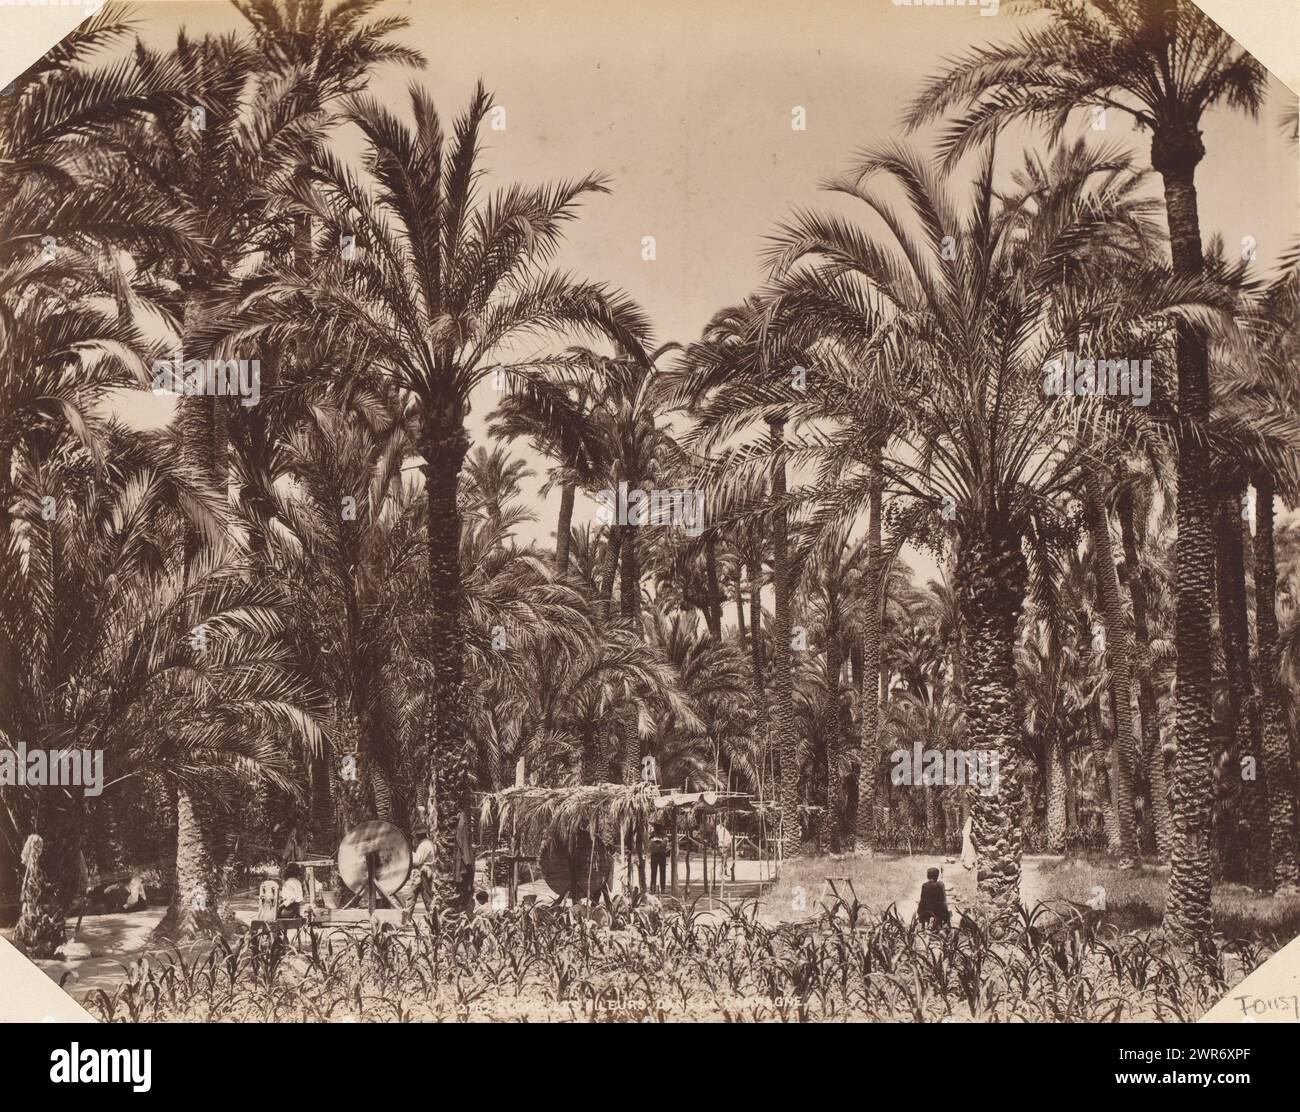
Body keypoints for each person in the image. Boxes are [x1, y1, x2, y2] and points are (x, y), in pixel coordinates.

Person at [917, 866, 950, 931]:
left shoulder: (924, 885)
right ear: (937, 876)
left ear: (928, 876)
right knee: (945, 909)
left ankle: (922, 925)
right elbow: (943, 898)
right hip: (937, 911)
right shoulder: (940, 885)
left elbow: (922, 898)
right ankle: (945, 927)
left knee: (920, 906)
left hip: (926, 910)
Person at [411, 825, 436, 913]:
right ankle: (407, 917)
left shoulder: (424, 845)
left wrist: (409, 854)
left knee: (426, 897)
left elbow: (417, 861)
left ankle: (433, 918)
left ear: (419, 835)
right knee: (413, 896)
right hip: (425, 871)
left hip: (424, 872)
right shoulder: (428, 843)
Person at [648, 823, 668, 894]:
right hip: (654, 855)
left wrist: (656, 844)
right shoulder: (652, 835)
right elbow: (651, 845)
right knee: (653, 872)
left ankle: (663, 889)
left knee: (662, 872)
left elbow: (664, 844)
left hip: (662, 855)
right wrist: (659, 845)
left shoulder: (664, 835)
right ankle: (652, 888)